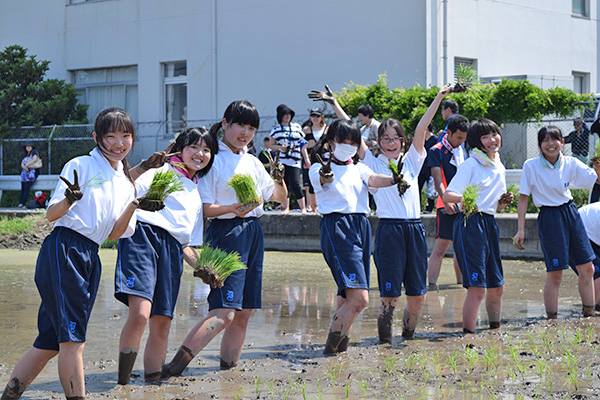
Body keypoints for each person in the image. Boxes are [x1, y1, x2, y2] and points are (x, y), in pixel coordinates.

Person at [0, 107, 150, 400]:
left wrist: (134, 204)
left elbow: (114, 234)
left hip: (91, 255)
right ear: (97, 137)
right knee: (73, 340)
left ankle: (8, 396)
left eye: (125, 135)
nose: (119, 142)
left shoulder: (124, 180)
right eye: (111, 136)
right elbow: (50, 215)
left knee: (49, 342)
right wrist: (69, 199)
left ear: (133, 138)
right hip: (64, 250)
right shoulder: (79, 165)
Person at [162, 100, 287, 376]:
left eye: (251, 127)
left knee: (243, 313)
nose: (245, 132)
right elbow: (203, 207)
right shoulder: (213, 158)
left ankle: (228, 372)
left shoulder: (253, 161)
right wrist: (232, 208)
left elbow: (278, 198)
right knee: (223, 313)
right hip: (227, 233)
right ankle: (175, 367)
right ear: (225, 123)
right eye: (240, 125)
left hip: (254, 233)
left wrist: (279, 178)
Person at [115, 127, 217, 384]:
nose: (200, 154)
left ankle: (154, 380)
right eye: (194, 147)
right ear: (180, 148)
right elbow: (123, 187)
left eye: (206, 150)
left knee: (162, 321)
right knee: (140, 313)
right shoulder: (161, 170)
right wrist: (143, 167)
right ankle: (123, 383)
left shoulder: (195, 193)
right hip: (142, 237)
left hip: (172, 249)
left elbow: (187, 244)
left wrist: (203, 268)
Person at [307, 114, 401, 354]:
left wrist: (393, 179)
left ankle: (341, 350)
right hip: (337, 227)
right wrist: (325, 175)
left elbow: (373, 179)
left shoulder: (358, 167)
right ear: (331, 142)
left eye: (353, 141)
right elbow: (323, 180)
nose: (348, 146)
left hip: (361, 225)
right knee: (360, 298)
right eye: (343, 141)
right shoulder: (320, 166)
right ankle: (329, 350)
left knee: (346, 297)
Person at [513, 126, 600, 319]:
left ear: (562, 142)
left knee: (588, 267)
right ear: (540, 145)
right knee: (556, 272)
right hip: (549, 217)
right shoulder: (531, 165)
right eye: (545, 140)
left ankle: (589, 313)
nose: (550, 144)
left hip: (570, 212)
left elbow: (595, 179)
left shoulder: (570, 162)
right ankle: (551, 319)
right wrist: (520, 230)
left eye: (555, 139)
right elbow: (523, 197)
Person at [443, 118, 513, 333]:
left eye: (494, 134)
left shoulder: (498, 165)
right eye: (485, 137)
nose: (492, 140)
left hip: (489, 223)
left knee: (497, 286)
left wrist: (503, 201)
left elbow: (496, 207)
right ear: (476, 142)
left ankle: (494, 329)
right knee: (477, 287)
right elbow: (448, 195)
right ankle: (468, 336)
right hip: (471, 223)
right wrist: (465, 199)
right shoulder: (472, 163)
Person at [426, 114, 469, 288]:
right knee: (441, 248)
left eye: (464, 138)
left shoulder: (463, 149)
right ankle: (431, 286)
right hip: (445, 204)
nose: (460, 141)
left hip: (463, 204)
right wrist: (446, 200)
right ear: (448, 133)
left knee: (461, 248)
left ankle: (460, 285)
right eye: (458, 137)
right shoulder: (436, 150)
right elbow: (438, 180)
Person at [269, 104, 307, 214]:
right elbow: (271, 145)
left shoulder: (296, 127)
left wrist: (306, 158)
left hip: (295, 159)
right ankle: (286, 208)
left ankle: (303, 208)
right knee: (284, 184)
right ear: (280, 116)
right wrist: (281, 147)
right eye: (285, 114)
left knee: (296, 184)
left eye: (289, 114)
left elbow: (303, 143)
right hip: (282, 160)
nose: (287, 116)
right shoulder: (276, 130)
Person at [302, 107, 328, 213]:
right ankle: (314, 207)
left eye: (317, 116)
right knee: (311, 184)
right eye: (313, 116)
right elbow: (302, 146)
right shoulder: (306, 129)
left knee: (325, 183)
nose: (315, 118)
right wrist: (306, 160)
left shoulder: (328, 128)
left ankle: (323, 205)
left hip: (325, 159)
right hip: (310, 159)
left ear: (322, 117)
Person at [417, 123, 439, 213]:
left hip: (430, 166)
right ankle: (418, 207)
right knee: (418, 186)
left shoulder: (435, 139)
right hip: (421, 166)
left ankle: (430, 207)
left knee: (431, 186)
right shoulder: (422, 139)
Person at [18, 143, 40, 208]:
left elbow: (34, 159)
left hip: (31, 174)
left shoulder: (34, 152)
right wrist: (24, 167)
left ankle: (23, 203)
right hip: (24, 174)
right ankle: (21, 202)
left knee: (27, 188)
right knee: (23, 188)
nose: (28, 147)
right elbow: (22, 163)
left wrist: (27, 165)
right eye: (26, 146)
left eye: (29, 146)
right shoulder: (26, 154)